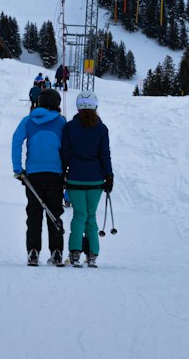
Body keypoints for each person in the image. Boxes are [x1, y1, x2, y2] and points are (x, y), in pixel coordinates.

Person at [11, 88, 66, 265]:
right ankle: (56, 251)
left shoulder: (28, 121)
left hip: (33, 175)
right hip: (55, 174)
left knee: (34, 213)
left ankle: (33, 251)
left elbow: (16, 141)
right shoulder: (61, 122)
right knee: (54, 213)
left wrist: (18, 168)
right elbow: (67, 149)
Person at [61, 93, 113, 267]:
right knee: (91, 216)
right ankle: (92, 254)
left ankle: (75, 251)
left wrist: (62, 174)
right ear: (95, 106)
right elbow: (105, 155)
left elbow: (65, 154)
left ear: (78, 106)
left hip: (75, 178)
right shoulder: (101, 129)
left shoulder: (69, 127)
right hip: (96, 180)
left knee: (79, 215)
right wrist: (109, 175)